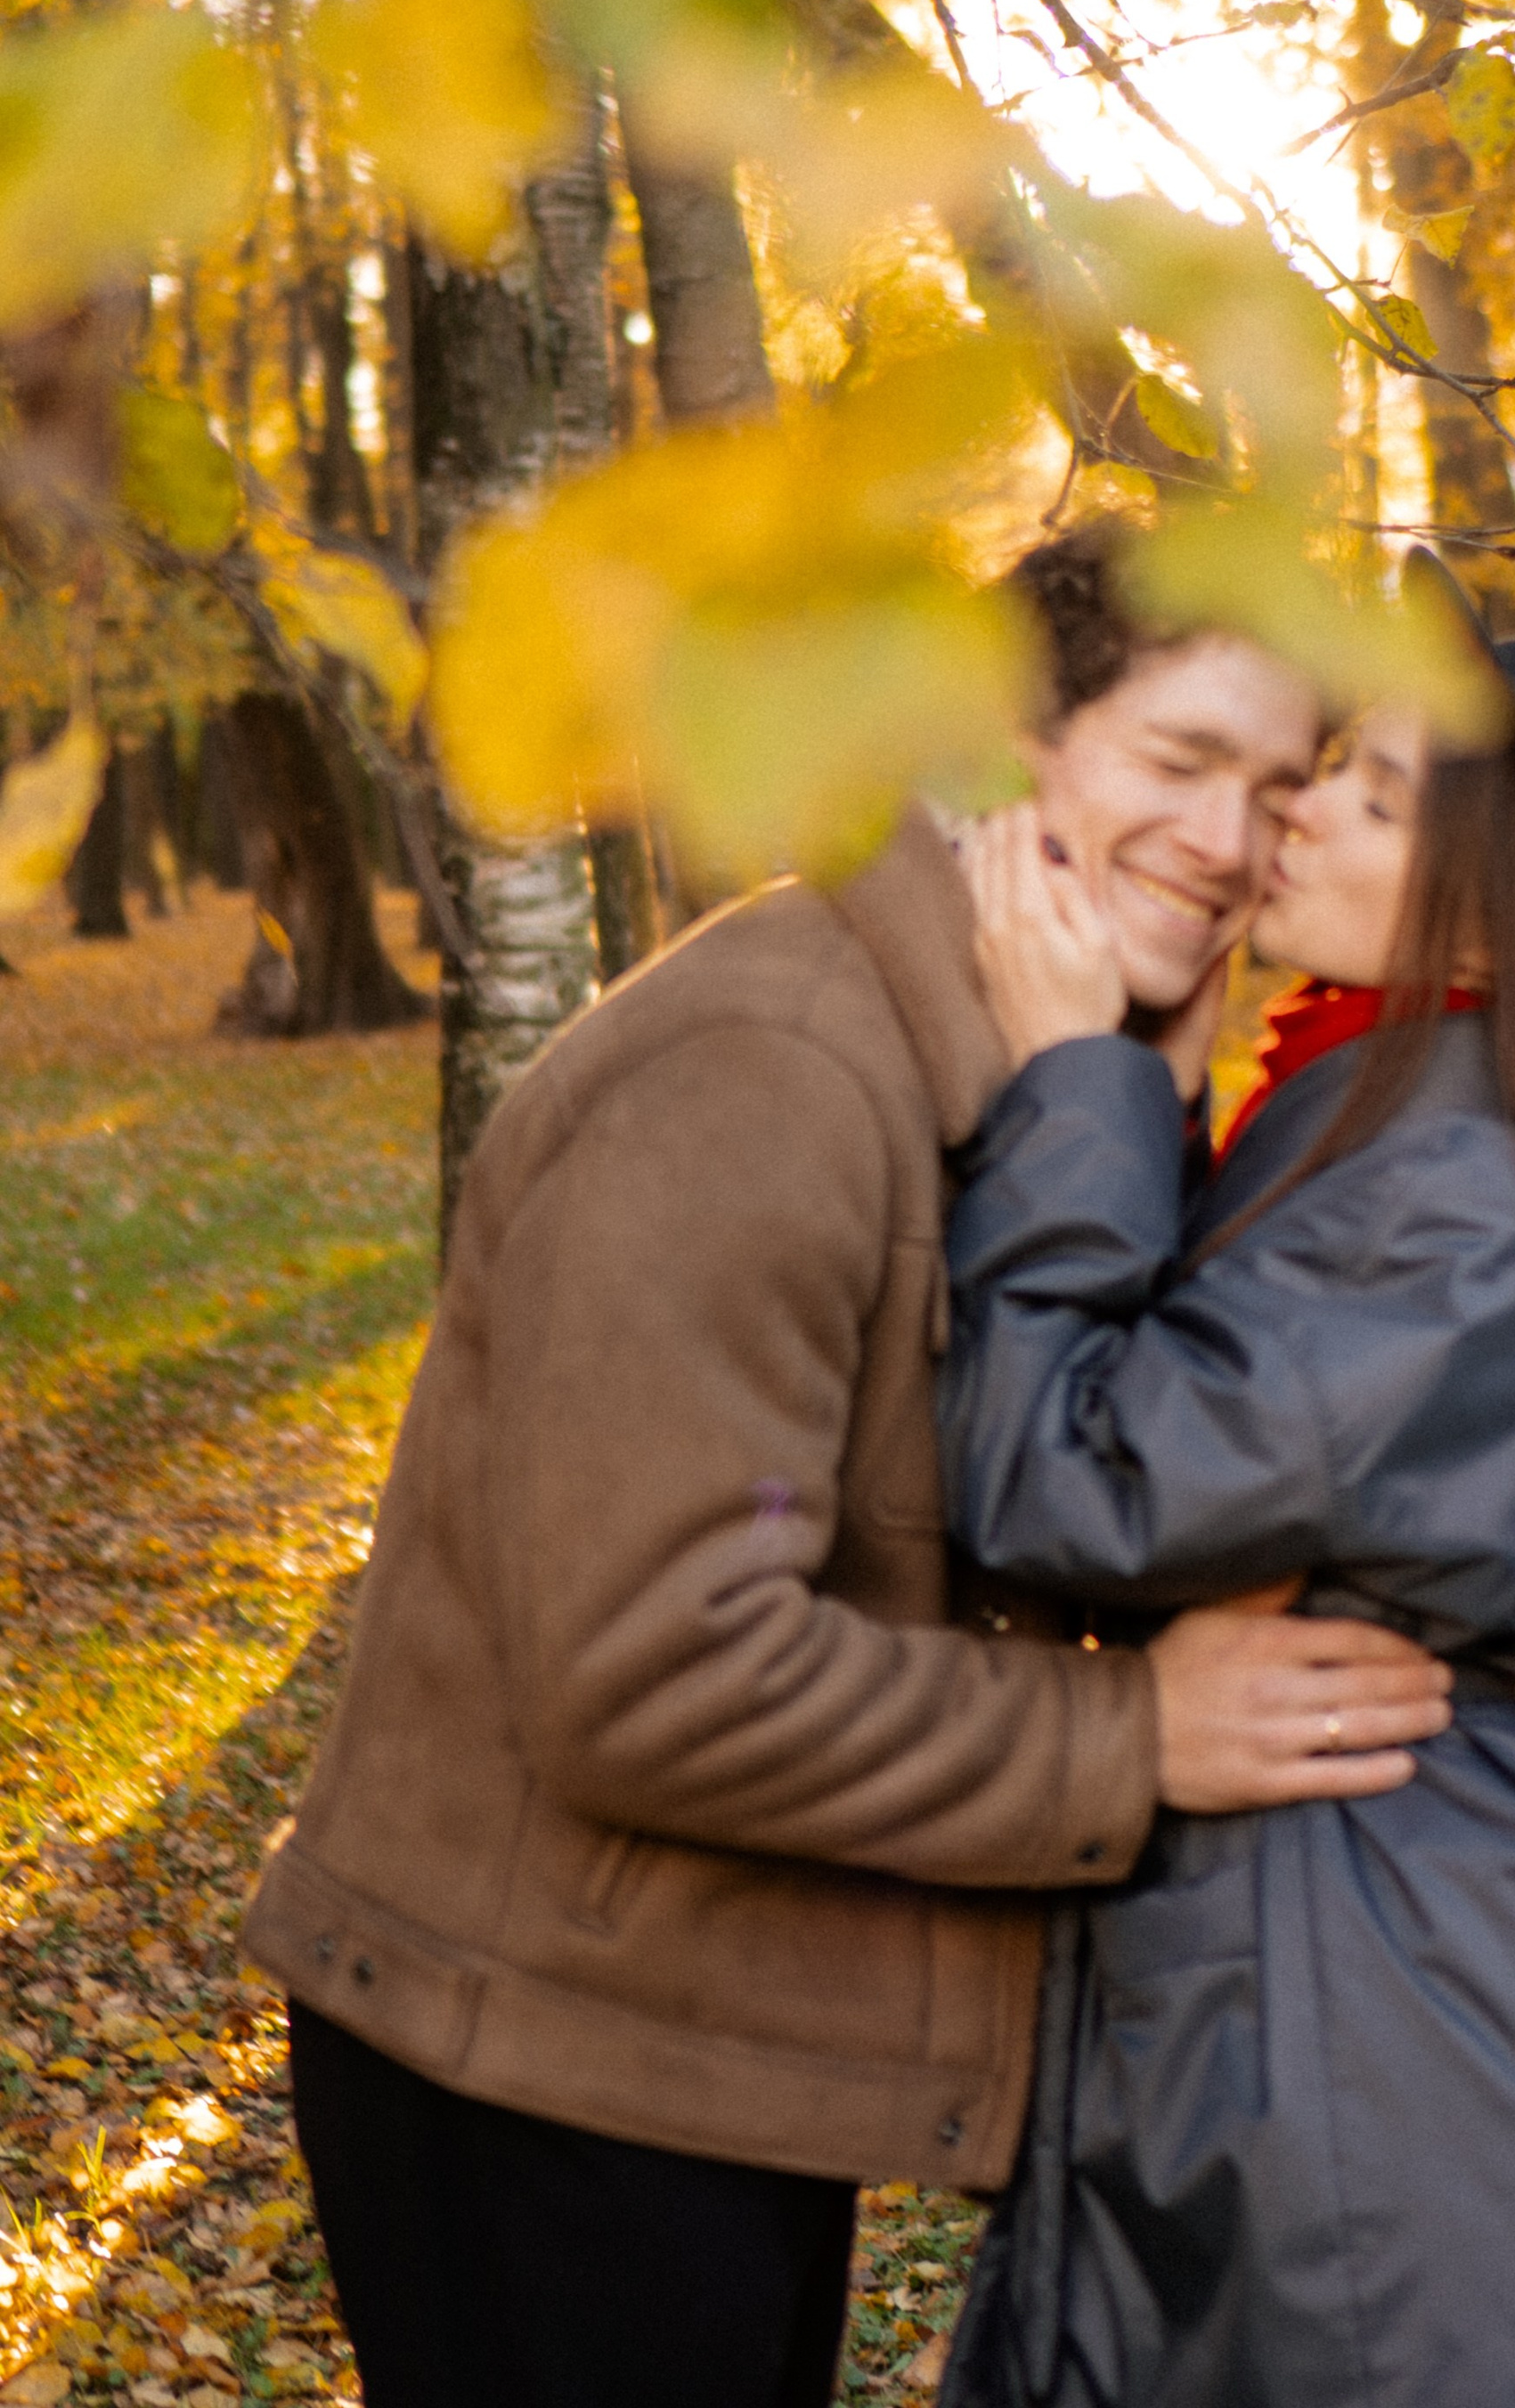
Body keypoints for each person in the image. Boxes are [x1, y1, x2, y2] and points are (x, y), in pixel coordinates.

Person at [245, 528, 1454, 2408]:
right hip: (536, 2073)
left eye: (1279, 789)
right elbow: (664, 1671)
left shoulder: (1026, 1075)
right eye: (1178, 761)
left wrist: (1126, 1122)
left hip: (701, 2053)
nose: (1230, 842)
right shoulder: (771, 1071)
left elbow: (1052, 1503)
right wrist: (1135, 1738)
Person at [934, 603, 1515, 2408]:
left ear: (1488, 920)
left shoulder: (1442, 1185)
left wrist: (1077, 1084)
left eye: (1376, 798)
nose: (1300, 810)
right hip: (1361, 1937)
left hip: (1362, 1992)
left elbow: (1067, 1482)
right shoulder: (1405, 1117)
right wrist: (1158, 1099)